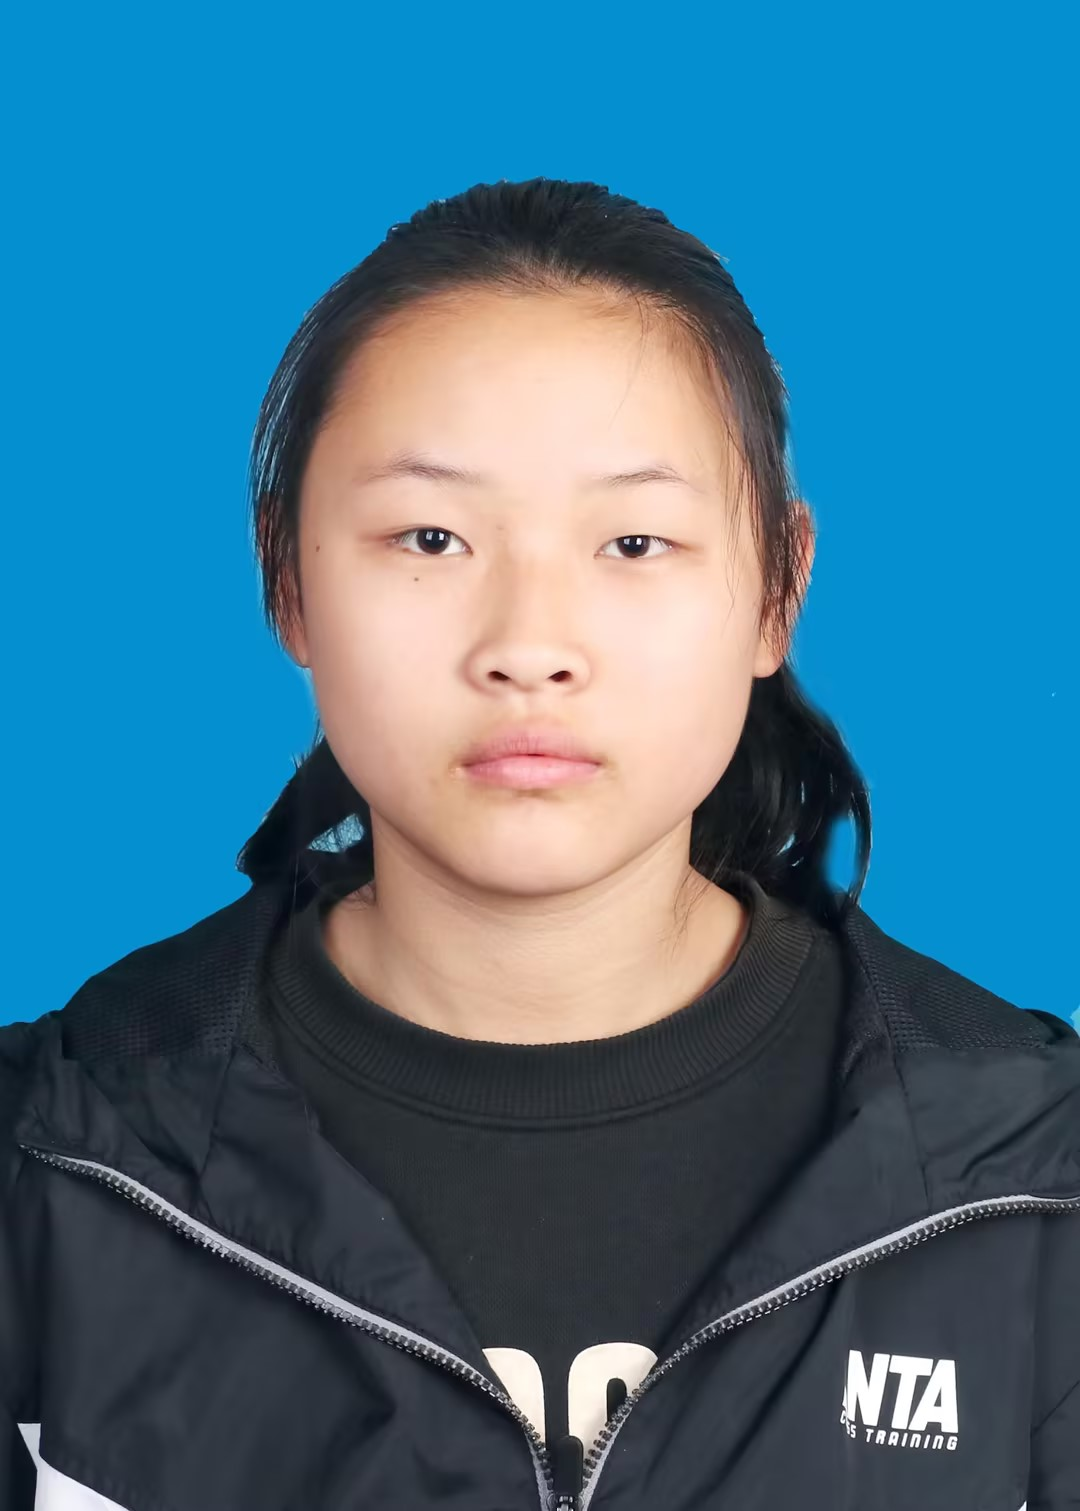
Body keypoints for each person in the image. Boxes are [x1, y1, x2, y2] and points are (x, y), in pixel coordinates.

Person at [1, 177, 1076, 1511]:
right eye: (431, 536)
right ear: (288, 578)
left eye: (633, 540)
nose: (528, 645)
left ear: (776, 589)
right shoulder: (53, 1168)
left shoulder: (1039, 1191)